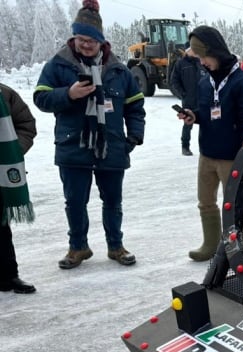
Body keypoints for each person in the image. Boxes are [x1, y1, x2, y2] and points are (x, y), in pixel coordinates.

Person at [34, 0, 145, 269]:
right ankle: (78, 247)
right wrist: (68, 94)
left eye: (91, 40)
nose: (86, 45)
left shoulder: (118, 70)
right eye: (82, 39)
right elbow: (40, 98)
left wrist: (133, 137)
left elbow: (135, 105)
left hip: (112, 147)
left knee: (113, 202)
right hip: (74, 145)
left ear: (101, 41)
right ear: (74, 37)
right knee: (74, 202)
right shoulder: (58, 66)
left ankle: (116, 246)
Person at [178, 26, 243, 262]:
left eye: (204, 57)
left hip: (231, 157)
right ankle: (211, 244)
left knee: (232, 207)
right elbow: (208, 113)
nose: (202, 63)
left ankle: (234, 252)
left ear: (217, 52)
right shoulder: (206, 83)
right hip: (207, 154)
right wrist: (194, 116)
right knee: (206, 203)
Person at [0, 83, 37, 294]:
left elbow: (26, 125)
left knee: (1, 228)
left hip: (1, 174)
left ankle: (7, 276)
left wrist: (11, 152)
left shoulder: (4, 94)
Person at [170, 44, 206, 156]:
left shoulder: (201, 63)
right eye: (192, 49)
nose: (195, 52)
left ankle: (204, 148)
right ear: (187, 51)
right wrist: (182, 94)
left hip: (202, 100)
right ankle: (185, 147)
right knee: (187, 124)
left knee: (205, 125)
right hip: (188, 101)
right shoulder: (180, 64)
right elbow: (173, 81)